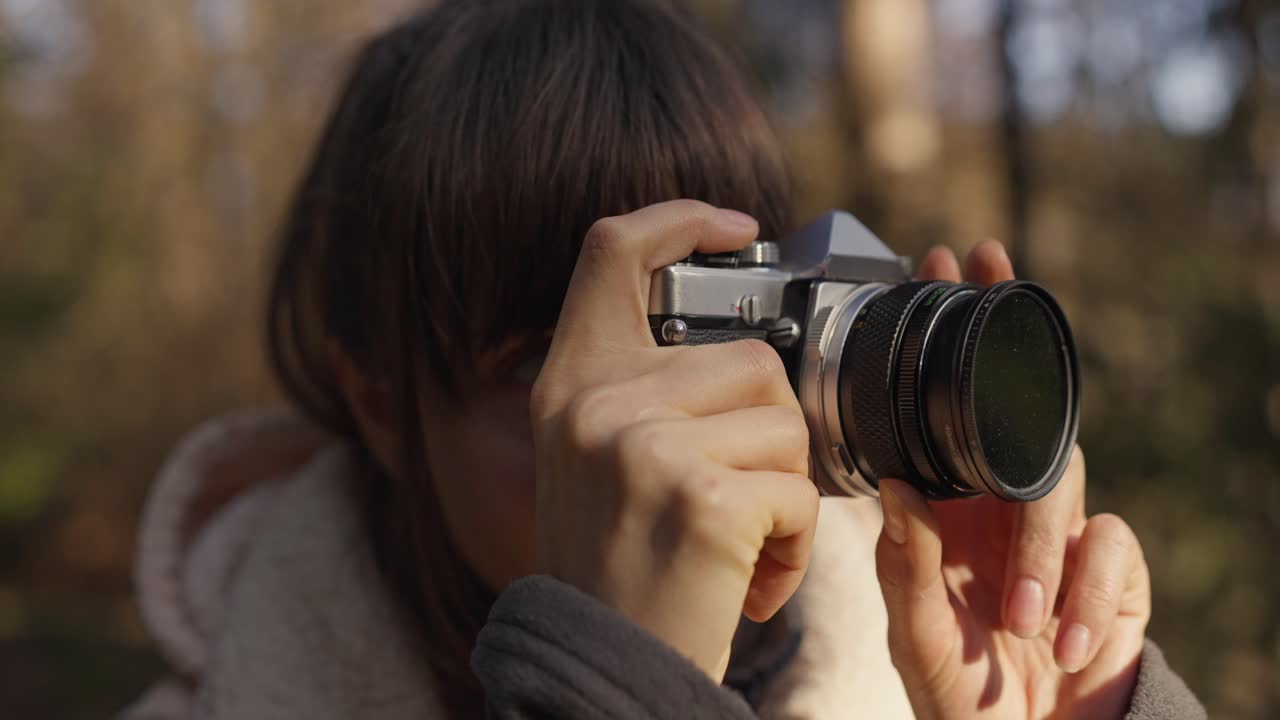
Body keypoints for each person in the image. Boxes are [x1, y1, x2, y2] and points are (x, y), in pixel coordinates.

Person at [123, 1, 1205, 718]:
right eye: (560, 365)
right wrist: (609, 682)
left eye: (717, 321)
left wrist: (1079, 706)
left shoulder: (906, 658)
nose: (664, 434)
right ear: (379, 410)